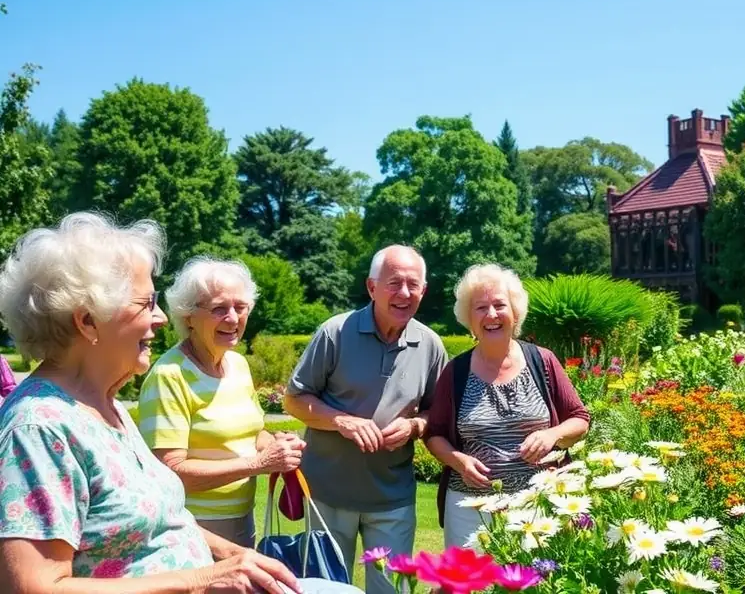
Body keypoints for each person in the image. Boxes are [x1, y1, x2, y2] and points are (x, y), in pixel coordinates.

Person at [0, 212, 299, 593]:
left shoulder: (105, 404)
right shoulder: (40, 428)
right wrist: (202, 578)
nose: (160, 318)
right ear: (88, 321)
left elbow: (162, 518)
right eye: (147, 303)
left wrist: (233, 554)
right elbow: (33, 587)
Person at [283, 245, 447, 594]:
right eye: (394, 283)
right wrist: (343, 421)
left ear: (424, 290)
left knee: (391, 591)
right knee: (325, 590)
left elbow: (438, 414)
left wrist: (415, 426)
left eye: (413, 284)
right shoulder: (335, 332)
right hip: (326, 495)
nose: (404, 293)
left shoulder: (431, 345)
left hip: (392, 500)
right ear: (372, 287)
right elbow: (294, 400)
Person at [138, 257, 305, 548]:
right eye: (219, 309)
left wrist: (277, 446)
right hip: (190, 529)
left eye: (241, 307)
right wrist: (259, 464)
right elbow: (169, 473)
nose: (233, 318)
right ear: (188, 316)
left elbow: (253, 433)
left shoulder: (238, 365)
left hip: (243, 519)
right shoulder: (169, 375)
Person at [425, 263, 590, 549]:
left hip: (539, 505)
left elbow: (579, 418)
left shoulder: (543, 361)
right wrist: (458, 461)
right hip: (471, 508)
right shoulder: (456, 371)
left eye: (500, 305)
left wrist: (552, 435)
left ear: (515, 312)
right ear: (469, 319)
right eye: (480, 308)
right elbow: (433, 434)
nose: (491, 315)